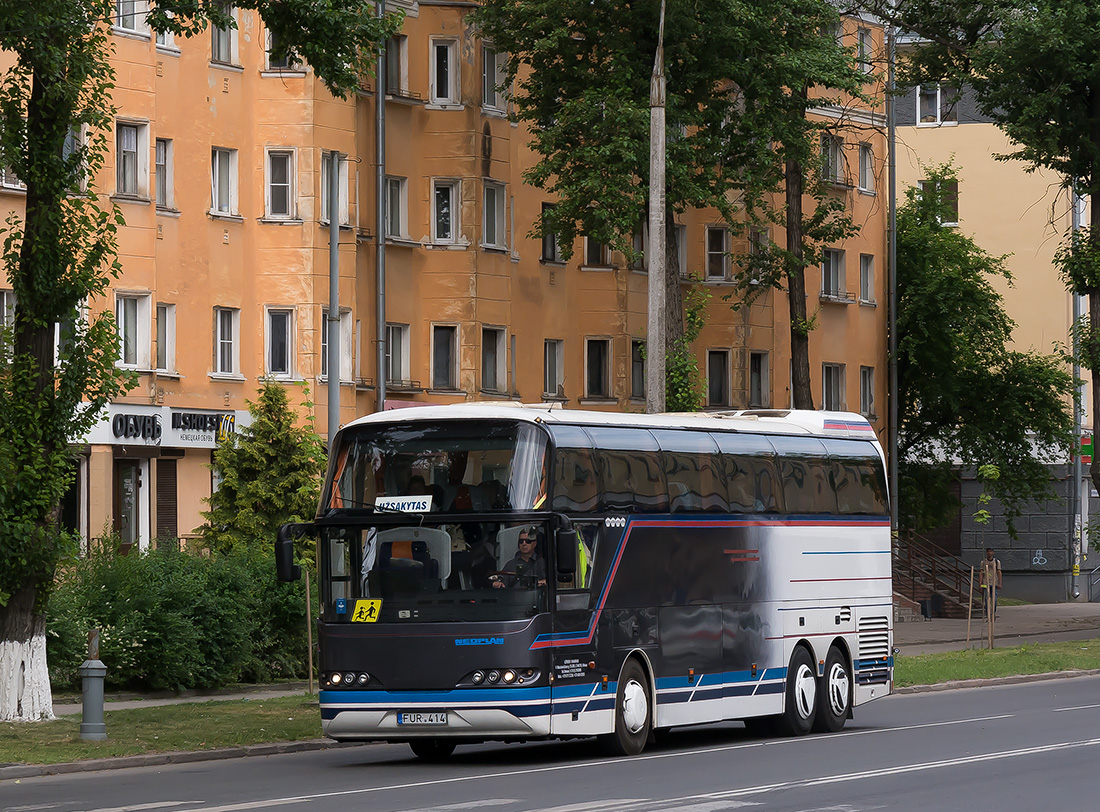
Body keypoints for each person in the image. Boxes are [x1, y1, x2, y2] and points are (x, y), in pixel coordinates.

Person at [978, 547, 1002, 619]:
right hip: (986, 582)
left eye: (991, 551)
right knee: (986, 599)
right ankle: (988, 614)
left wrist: (1000, 583)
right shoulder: (983, 562)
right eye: (988, 551)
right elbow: (981, 573)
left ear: (993, 552)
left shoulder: (997, 562)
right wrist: (980, 584)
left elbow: (999, 572)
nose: (989, 553)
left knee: (994, 600)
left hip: (994, 582)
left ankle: (993, 613)